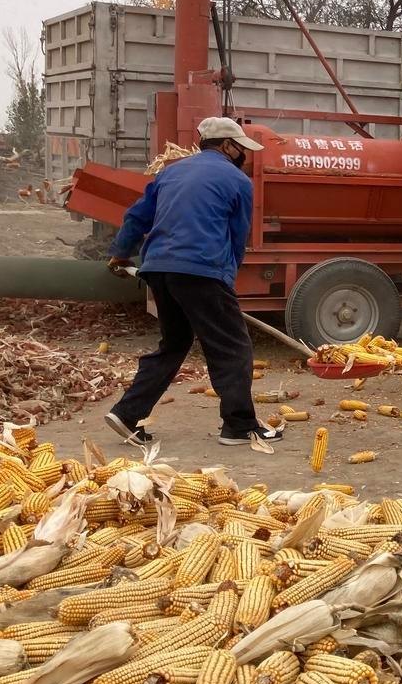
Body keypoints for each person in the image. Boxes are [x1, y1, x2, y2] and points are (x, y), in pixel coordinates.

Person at [104, 117, 284, 448]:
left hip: (158, 269)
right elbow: (236, 236)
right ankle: (239, 425)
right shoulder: (237, 180)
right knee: (232, 346)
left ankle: (127, 413)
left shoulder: (169, 172)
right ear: (228, 146)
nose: (244, 154)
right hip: (201, 269)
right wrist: (225, 279)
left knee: (174, 343)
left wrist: (119, 254)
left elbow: (137, 217)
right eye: (242, 148)